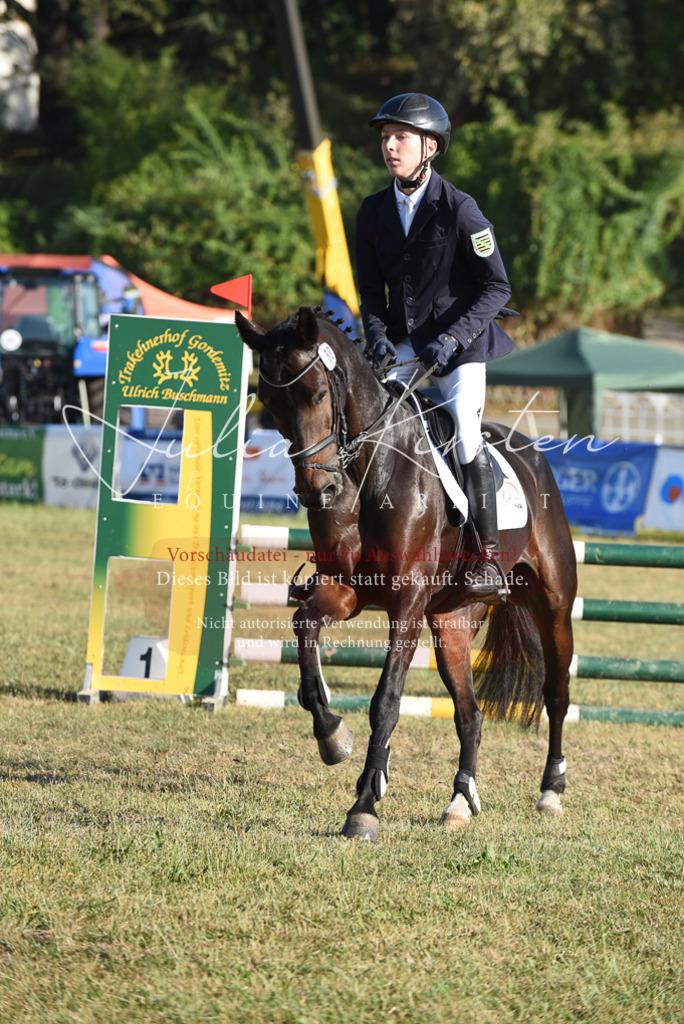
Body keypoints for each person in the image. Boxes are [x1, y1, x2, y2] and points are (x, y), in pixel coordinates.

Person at [355, 92, 518, 603]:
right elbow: (369, 293)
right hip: (404, 347)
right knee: (366, 427)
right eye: (385, 137)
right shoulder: (373, 210)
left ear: (430, 146)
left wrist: (454, 336)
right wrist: (378, 335)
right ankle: (348, 550)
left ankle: (487, 556)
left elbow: (497, 287)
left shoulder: (460, 210)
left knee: (466, 432)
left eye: (400, 137)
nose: (390, 146)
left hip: (460, 347)